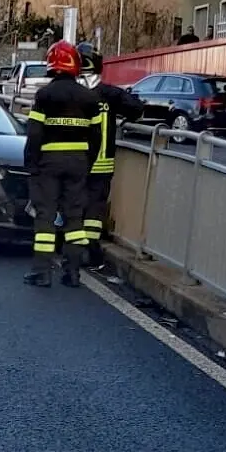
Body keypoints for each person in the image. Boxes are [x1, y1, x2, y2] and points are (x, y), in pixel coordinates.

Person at [23, 40, 101, 288]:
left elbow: (34, 134)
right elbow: (96, 137)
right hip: (79, 162)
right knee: (75, 218)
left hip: (49, 163)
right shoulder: (89, 98)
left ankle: (42, 272)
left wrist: (31, 164)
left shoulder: (44, 95)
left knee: (45, 216)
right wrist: (87, 163)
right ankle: (73, 273)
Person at [76, 42, 144, 275]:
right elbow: (136, 109)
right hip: (102, 162)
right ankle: (90, 251)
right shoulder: (109, 93)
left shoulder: (70, 92)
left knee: (75, 203)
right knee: (94, 207)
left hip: (75, 159)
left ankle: (71, 251)